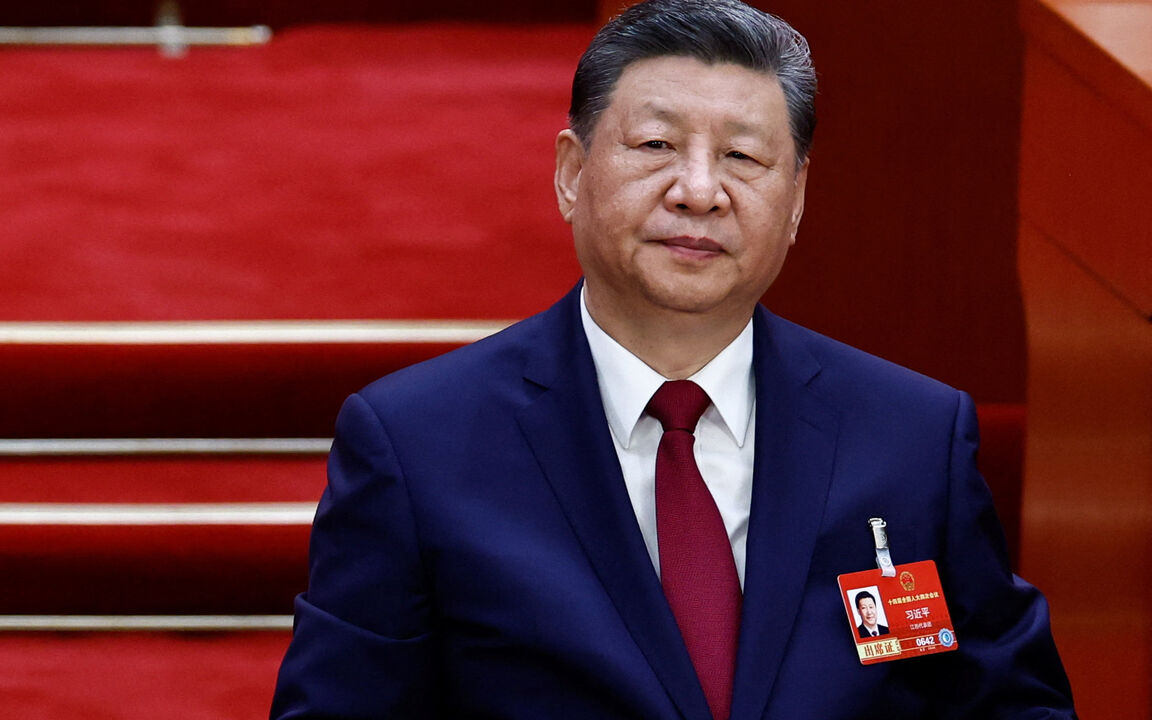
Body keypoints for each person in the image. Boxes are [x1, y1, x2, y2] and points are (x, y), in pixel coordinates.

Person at [270, 1, 1075, 718]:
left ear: (796, 201)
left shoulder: (913, 436)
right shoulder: (418, 444)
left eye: (744, 158)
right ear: (570, 175)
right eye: (656, 144)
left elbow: (1011, 701)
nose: (698, 190)